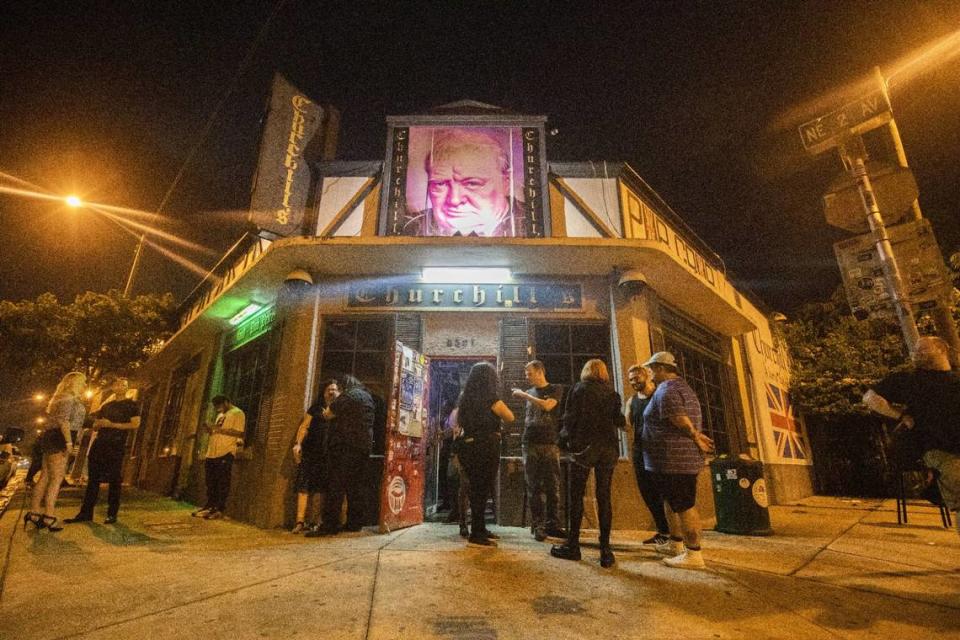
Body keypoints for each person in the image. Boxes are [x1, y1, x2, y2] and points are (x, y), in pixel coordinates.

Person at [864, 336, 960, 538]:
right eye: (915, 351)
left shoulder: (956, 379)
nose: (917, 354)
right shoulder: (908, 379)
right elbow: (870, 398)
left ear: (942, 349)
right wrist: (899, 415)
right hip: (940, 450)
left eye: (923, 349)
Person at [642, 352, 714, 569]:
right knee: (673, 503)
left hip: (675, 460)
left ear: (662, 368)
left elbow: (678, 417)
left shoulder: (667, 390)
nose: (651, 374)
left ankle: (694, 554)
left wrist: (695, 436)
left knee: (684, 506)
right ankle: (676, 544)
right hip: (670, 460)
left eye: (653, 369)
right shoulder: (683, 387)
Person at [550, 359, 623, 568]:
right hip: (608, 449)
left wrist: (562, 440)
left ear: (586, 371)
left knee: (576, 496)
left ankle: (573, 546)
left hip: (584, 448)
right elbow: (618, 420)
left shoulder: (579, 389)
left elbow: (570, 419)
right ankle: (605, 551)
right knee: (604, 497)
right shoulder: (612, 393)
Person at [401, 128, 526, 238]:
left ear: (506, 183)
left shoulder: (532, 224)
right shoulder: (407, 229)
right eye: (440, 184)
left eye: (472, 184)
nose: (454, 200)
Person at [65, 378, 140, 524]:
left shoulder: (131, 405)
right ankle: (86, 513)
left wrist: (112, 425)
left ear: (127, 388)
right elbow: (95, 424)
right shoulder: (106, 406)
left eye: (124, 385)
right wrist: (97, 425)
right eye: (117, 384)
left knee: (114, 479)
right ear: (113, 387)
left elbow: (135, 424)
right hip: (100, 443)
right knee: (93, 479)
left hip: (116, 444)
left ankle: (112, 514)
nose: (120, 387)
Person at [308, 375, 375, 536]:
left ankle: (329, 525)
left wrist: (330, 404)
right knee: (356, 487)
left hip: (344, 447)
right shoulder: (368, 398)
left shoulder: (347, 396)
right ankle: (354, 523)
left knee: (335, 487)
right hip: (363, 448)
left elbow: (327, 415)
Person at [456, 361, 514, 546]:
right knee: (483, 489)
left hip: (469, 446)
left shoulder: (464, 398)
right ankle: (477, 532)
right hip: (487, 446)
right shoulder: (491, 399)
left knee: (475, 489)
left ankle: (479, 528)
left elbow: (459, 421)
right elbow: (510, 416)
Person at [512, 360, 567, 541]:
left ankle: (553, 525)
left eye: (529, 373)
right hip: (530, 443)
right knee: (534, 486)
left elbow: (548, 406)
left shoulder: (555, 389)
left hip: (550, 443)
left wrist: (525, 396)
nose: (526, 376)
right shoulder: (529, 392)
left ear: (540, 371)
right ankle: (538, 525)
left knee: (553, 486)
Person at [24, 371, 87, 532]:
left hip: (53, 436)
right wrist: (69, 442)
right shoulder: (68, 398)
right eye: (82, 382)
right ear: (73, 383)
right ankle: (49, 516)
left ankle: (34, 513)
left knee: (45, 477)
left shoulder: (63, 397)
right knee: (56, 479)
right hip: (60, 436)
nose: (85, 385)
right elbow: (63, 420)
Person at [626, 364, 671, 545]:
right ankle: (663, 531)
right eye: (630, 380)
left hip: (660, 450)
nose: (633, 382)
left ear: (647, 376)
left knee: (665, 492)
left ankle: (676, 535)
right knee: (648, 493)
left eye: (636, 378)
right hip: (640, 450)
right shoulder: (631, 401)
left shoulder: (659, 396)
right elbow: (627, 424)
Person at [290, 379, 339, 533]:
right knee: (303, 486)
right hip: (310, 452)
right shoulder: (315, 408)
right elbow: (304, 426)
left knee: (320, 489)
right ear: (324, 392)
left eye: (334, 389)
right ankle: (299, 521)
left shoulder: (339, 410)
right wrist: (298, 443)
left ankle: (315, 521)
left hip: (327, 455)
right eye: (328, 389)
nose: (331, 392)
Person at [193, 395, 245, 520]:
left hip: (225, 452)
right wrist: (210, 430)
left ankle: (219, 508)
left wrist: (219, 430)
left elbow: (239, 433)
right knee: (211, 481)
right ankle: (210, 505)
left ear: (227, 402)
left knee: (222, 481)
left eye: (220, 406)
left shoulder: (238, 413)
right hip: (212, 453)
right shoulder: (220, 415)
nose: (219, 409)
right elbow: (217, 431)